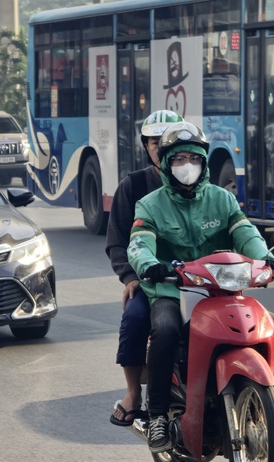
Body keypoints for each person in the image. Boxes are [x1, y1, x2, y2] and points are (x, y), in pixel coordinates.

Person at [127, 121, 274, 453]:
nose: (187, 166)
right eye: (179, 159)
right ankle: (157, 413)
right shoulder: (150, 204)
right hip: (173, 287)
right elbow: (138, 245)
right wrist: (150, 265)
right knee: (167, 330)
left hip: (220, 289)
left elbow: (246, 234)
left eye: (194, 158)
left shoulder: (222, 200)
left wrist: (267, 259)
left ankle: (259, 391)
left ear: (203, 163)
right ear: (167, 165)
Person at [105, 109, 184, 427]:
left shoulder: (204, 189)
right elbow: (118, 242)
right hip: (153, 280)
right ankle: (134, 393)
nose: (160, 148)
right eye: (154, 142)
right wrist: (131, 276)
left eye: (168, 142)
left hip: (200, 279)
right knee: (137, 318)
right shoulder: (134, 186)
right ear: (146, 145)